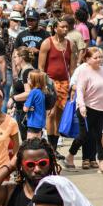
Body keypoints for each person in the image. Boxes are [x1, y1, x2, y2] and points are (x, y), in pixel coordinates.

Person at [74, 47, 103, 173]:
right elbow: (79, 90)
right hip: (87, 107)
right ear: (87, 59)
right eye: (96, 57)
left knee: (101, 136)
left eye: (101, 57)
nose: (99, 59)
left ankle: (101, 163)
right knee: (84, 135)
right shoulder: (83, 70)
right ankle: (72, 155)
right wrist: (81, 106)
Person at [39, 17, 76, 150]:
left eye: (67, 27)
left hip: (65, 83)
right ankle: (50, 145)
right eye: (62, 27)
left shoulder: (71, 44)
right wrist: (44, 85)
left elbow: (73, 68)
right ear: (55, 28)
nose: (65, 29)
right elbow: (41, 68)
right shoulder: (47, 43)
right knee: (51, 113)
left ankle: (54, 147)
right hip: (50, 82)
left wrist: (73, 85)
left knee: (59, 114)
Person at [24, 71, 48, 139]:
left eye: (28, 78)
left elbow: (25, 108)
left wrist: (25, 106)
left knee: (30, 144)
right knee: (37, 143)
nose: (27, 79)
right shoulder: (41, 92)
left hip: (33, 122)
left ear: (33, 81)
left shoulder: (33, 92)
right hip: (40, 122)